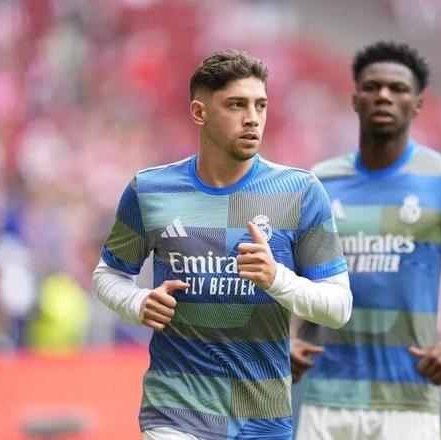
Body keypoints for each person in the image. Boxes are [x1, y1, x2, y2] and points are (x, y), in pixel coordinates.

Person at [92, 49, 353, 440]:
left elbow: (339, 307)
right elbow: (109, 274)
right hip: (175, 415)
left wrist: (277, 279)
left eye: (260, 105)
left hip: (262, 419)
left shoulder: (301, 192)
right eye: (236, 105)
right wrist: (138, 302)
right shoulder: (150, 190)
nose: (252, 118)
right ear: (200, 113)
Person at [290, 41, 441, 440]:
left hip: (408, 401)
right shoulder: (319, 183)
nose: (384, 95)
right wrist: (286, 338)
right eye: (372, 87)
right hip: (326, 398)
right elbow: (290, 271)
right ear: (355, 100)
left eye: (397, 89)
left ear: (417, 105)